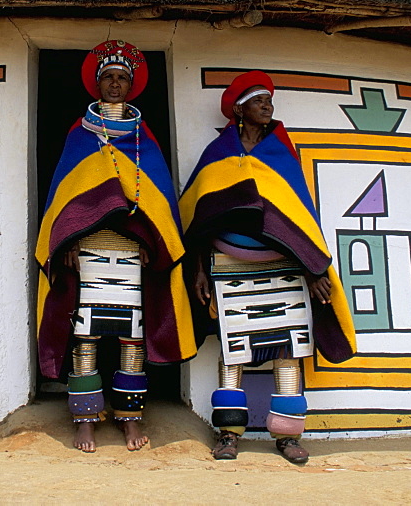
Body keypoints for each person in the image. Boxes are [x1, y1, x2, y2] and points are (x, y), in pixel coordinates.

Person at [179, 70, 356, 463]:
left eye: (269, 101)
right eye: (259, 101)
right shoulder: (217, 155)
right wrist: (200, 268)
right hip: (228, 264)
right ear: (240, 109)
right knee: (234, 349)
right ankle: (228, 433)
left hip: (285, 268)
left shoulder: (281, 154)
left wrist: (312, 267)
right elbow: (199, 217)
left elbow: (300, 215)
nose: (267, 106)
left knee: (289, 351)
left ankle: (287, 436)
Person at [35, 40, 196, 453]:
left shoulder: (145, 141)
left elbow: (157, 202)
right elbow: (65, 199)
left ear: (131, 85)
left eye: (122, 78)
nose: (114, 84)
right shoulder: (79, 135)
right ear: (96, 84)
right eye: (107, 77)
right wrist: (66, 240)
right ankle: (85, 421)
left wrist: (152, 243)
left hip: (130, 256)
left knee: (132, 341)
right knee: (85, 339)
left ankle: (130, 419)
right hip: (87, 252)